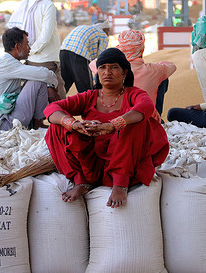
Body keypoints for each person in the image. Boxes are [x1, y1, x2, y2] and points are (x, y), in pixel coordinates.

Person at [44, 48, 169, 208]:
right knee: (56, 127)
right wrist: (73, 124)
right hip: (92, 163)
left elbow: (146, 106)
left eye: (114, 67)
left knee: (138, 122)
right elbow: (52, 108)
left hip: (125, 162)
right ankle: (82, 181)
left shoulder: (133, 94)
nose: (107, 72)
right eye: (102, 67)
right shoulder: (89, 96)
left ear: (124, 73)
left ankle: (120, 184)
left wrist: (113, 125)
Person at [89, 30, 176, 122]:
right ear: (142, 49)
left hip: (112, 120)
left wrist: (115, 55)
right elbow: (171, 66)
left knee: (99, 73)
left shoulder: (109, 69)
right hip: (144, 120)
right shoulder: (154, 70)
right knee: (162, 78)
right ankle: (155, 117)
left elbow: (92, 64)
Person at [0, 27, 58, 133]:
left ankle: (37, 123)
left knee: (38, 80)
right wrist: (53, 85)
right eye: (27, 44)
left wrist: (49, 86)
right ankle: (38, 124)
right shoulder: (6, 64)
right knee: (38, 81)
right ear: (17, 47)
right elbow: (44, 74)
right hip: (1, 124)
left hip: (4, 119)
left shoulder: (7, 63)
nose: (29, 48)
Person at [8, 0, 65, 102]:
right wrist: (32, 50)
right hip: (46, 60)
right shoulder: (47, 4)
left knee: (35, 97)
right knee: (59, 98)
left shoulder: (25, 3)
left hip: (30, 60)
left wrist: (27, 52)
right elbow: (45, 36)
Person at [60, 20, 111, 93]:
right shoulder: (102, 34)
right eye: (108, 30)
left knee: (64, 84)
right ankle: (89, 104)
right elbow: (102, 58)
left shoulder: (86, 29)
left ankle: (55, 103)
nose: (108, 33)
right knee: (86, 87)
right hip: (79, 54)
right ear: (104, 29)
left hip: (63, 51)